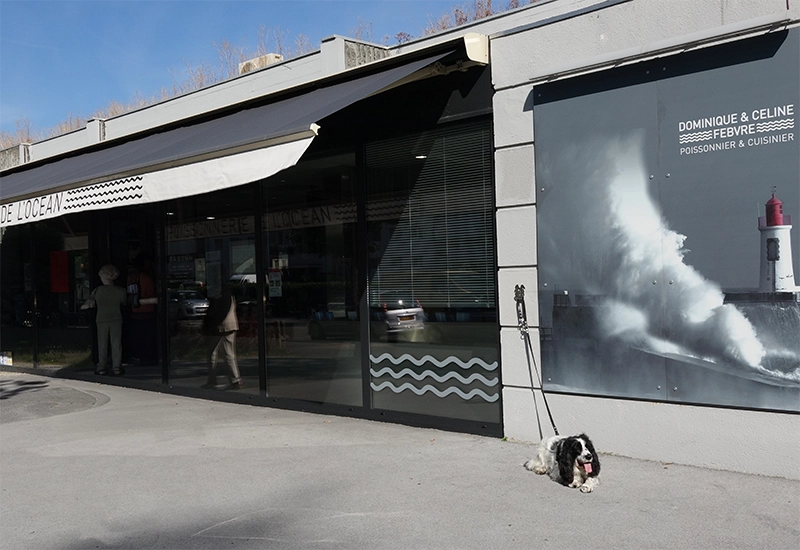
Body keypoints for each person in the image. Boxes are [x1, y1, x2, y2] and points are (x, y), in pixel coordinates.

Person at [81, 264, 127, 376]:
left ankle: (102, 366)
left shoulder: (97, 291)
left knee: (102, 343)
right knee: (116, 343)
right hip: (116, 319)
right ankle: (116, 367)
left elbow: (88, 304)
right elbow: (125, 303)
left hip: (101, 319)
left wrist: (85, 306)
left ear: (103, 277)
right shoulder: (121, 291)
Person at [203, 284, 242, 390]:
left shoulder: (217, 294)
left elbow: (213, 311)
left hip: (220, 326)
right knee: (229, 353)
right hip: (231, 324)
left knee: (212, 353)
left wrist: (207, 323)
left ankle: (212, 380)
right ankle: (235, 379)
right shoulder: (229, 294)